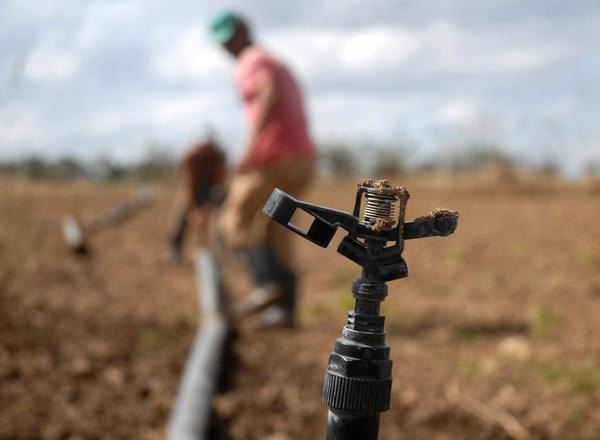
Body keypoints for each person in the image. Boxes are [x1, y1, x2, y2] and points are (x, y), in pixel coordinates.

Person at [209, 11, 316, 327]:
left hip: (273, 159)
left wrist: (252, 146)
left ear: (244, 32)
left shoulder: (251, 62)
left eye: (231, 39)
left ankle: (264, 287)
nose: (228, 47)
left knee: (233, 219)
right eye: (224, 43)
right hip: (303, 159)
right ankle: (285, 312)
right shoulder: (277, 61)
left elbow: (267, 91)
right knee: (277, 228)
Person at [169, 137, 226, 263]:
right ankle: (176, 250)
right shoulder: (190, 160)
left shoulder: (217, 158)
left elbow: (220, 184)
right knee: (181, 218)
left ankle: (225, 249)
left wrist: (207, 210)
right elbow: (189, 188)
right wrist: (192, 210)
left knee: (223, 215)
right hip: (194, 189)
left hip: (212, 189)